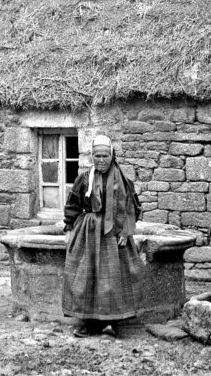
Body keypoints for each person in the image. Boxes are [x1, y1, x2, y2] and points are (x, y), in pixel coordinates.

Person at [62, 135, 143, 338]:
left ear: (112, 155)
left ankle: (110, 323)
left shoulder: (124, 180)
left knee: (113, 279)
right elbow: (73, 204)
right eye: (97, 156)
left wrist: (125, 230)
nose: (101, 160)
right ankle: (88, 322)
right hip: (88, 232)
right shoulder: (83, 179)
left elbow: (132, 207)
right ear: (91, 157)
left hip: (115, 235)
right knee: (86, 277)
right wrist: (69, 226)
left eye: (105, 155)